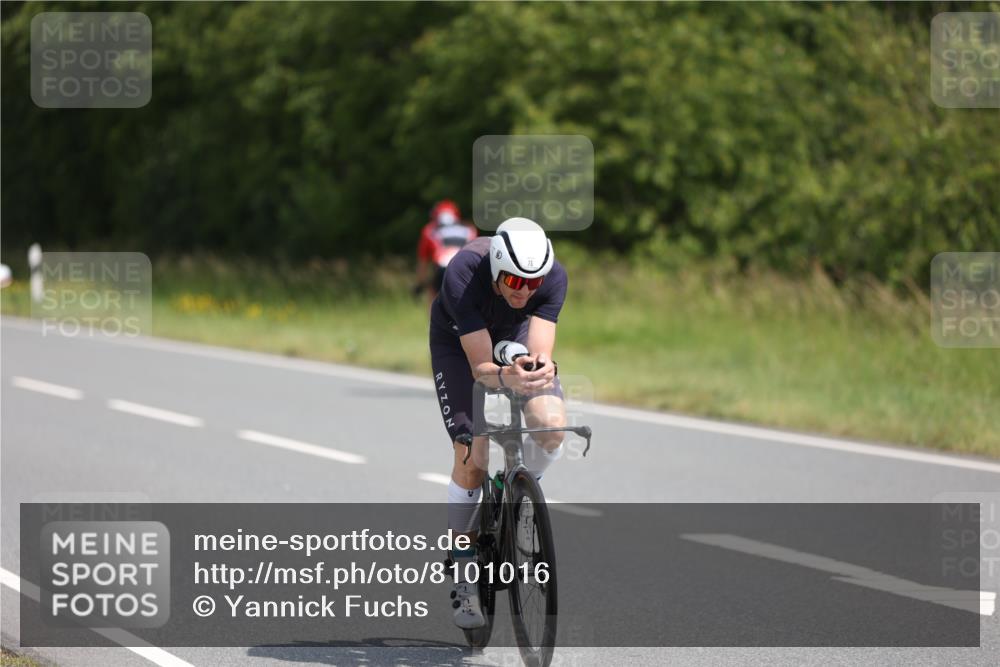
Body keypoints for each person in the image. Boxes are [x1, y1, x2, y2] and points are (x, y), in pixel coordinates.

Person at [428, 217, 567, 629]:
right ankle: (465, 566)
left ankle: (524, 495)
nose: (522, 290)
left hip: (514, 338)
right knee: (474, 452)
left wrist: (536, 373)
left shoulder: (552, 278)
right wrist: (508, 377)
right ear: (496, 268)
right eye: (513, 280)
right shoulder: (464, 272)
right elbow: (481, 369)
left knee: (551, 427)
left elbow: (540, 351)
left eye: (532, 282)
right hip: (460, 346)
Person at [416, 200, 478, 306]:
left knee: (433, 298)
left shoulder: (430, 230)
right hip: (465, 269)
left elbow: (423, 263)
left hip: (442, 268)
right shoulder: (469, 229)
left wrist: (420, 284)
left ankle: (434, 321)